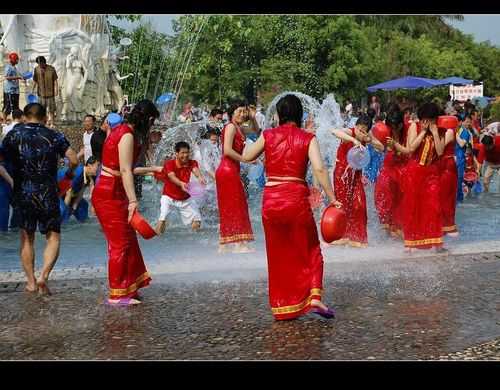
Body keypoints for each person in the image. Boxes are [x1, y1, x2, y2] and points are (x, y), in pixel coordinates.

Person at [243, 94, 341, 320]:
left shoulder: (268, 136)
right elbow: (319, 169)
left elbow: (247, 156)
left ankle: (284, 308)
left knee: (279, 255)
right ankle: (314, 296)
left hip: (271, 201)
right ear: (300, 115)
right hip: (295, 199)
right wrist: (331, 196)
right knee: (310, 249)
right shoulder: (307, 138)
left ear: (279, 115)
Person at [1, 103, 78, 294]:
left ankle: (31, 282)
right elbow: (74, 159)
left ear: (25, 117)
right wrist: (68, 175)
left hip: (24, 193)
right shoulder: (54, 135)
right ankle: (44, 276)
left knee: (27, 238)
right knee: (53, 237)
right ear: (44, 118)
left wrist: (13, 178)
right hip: (48, 193)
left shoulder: (13, 136)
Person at [91, 100, 160, 305]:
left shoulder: (120, 129)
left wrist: (154, 169)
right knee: (120, 243)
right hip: (109, 194)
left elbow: (125, 168)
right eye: (152, 122)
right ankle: (117, 294)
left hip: (113, 190)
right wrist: (133, 200)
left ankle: (130, 287)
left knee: (128, 240)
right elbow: (124, 171)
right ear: (147, 119)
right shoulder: (127, 135)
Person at [331, 114, 384, 247]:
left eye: (364, 130)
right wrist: (353, 140)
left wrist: (370, 139)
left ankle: (357, 238)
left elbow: (381, 148)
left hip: (356, 175)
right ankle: (341, 235)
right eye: (359, 129)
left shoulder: (367, 137)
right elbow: (334, 131)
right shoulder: (350, 132)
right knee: (343, 205)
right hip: (342, 174)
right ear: (356, 126)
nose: (360, 132)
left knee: (359, 204)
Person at [399, 103, 446, 252]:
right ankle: (411, 242)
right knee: (413, 206)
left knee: (434, 205)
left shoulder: (440, 130)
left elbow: (439, 152)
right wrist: (423, 132)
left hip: (431, 174)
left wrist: (435, 133)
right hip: (414, 172)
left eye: (432, 120)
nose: (430, 123)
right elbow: (411, 148)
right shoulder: (415, 127)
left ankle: (435, 242)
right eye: (427, 119)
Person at [215, 100, 255, 253]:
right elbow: (227, 150)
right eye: (239, 111)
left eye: (244, 111)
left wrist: (252, 116)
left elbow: (256, 129)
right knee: (236, 205)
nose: (242, 114)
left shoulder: (240, 128)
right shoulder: (231, 127)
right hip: (227, 170)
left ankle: (225, 244)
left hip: (231, 170)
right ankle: (239, 243)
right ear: (231, 113)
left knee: (233, 205)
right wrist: (245, 159)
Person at [154, 141, 206, 235]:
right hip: (168, 196)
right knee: (162, 219)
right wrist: (181, 183)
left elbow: (196, 170)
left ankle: (193, 242)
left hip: (185, 197)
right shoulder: (169, 164)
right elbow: (171, 176)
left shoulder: (192, 162)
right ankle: (157, 238)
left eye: (187, 152)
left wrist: (200, 178)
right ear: (176, 153)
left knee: (197, 221)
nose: (185, 155)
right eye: (183, 153)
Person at [375, 108, 406, 237]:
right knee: (385, 199)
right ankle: (388, 231)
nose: (393, 129)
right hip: (388, 171)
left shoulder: (408, 131)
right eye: (390, 126)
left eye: (395, 127)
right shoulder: (385, 132)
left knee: (400, 203)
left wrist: (395, 146)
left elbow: (409, 150)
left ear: (400, 124)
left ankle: (398, 231)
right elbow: (379, 146)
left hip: (402, 172)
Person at [59, 156, 100, 223]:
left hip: (68, 193)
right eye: (97, 165)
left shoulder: (89, 175)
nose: (98, 168)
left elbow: (81, 192)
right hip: (56, 192)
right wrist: (66, 210)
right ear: (89, 166)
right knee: (63, 210)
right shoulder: (78, 172)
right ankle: (63, 227)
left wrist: (74, 207)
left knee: (84, 205)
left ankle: (82, 224)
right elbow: (68, 193)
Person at [439, 116, 459, 236]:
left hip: (447, 165)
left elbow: (440, 148)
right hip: (445, 164)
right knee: (443, 195)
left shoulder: (450, 131)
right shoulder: (448, 131)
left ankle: (447, 225)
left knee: (446, 195)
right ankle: (444, 224)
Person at [32, 56, 59, 127]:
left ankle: (52, 123)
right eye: (38, 64)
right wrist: (32, 89)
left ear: (44, 62)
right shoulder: (36, 69)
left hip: (50, 93)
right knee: (42, 110)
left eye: (41, 64)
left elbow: (55, 80)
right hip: (41, 93)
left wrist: (56, 89)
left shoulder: (51, 69)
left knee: (51, 109)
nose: (40, 65)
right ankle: (44, 123)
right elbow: (35, 80)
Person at [455, 114, 473, 203]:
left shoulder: (465, 132)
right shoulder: (457, 130)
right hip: (455, 158)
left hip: (460, 158)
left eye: (469, 122)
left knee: (458, 180)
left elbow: (462, 144)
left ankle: (459, 200)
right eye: (467, 122)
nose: (468, 124)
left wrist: (455, 135)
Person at [3, 52, 23, 119]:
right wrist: (18, 77)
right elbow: (6, 77)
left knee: (15, 107)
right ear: (13, 60)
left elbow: (16, 75)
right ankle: (4, 121)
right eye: (16, 59)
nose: (17, 61)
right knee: (7, 107)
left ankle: (15, 120)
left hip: (15, 90)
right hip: (10, 91)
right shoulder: (8, 67)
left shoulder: (14, 67)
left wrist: (22, 76)